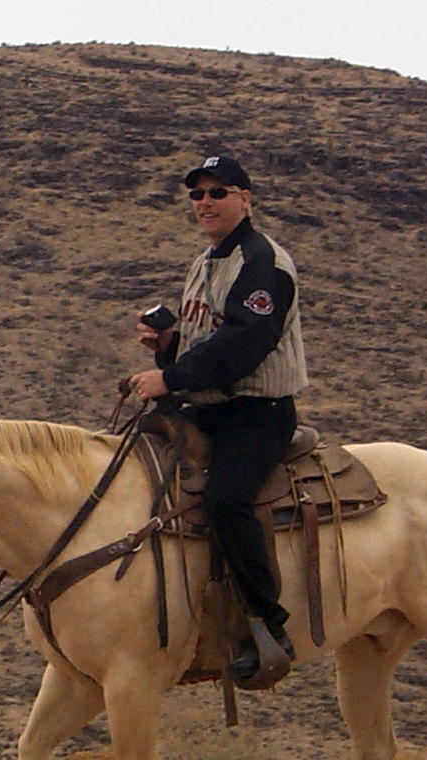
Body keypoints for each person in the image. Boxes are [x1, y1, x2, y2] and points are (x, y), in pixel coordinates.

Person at [129, 155, 308, 682]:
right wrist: (167, 347)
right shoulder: (206, 261)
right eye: (197, 195)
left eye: (217, 192)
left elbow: (245, 344)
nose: (205, 202)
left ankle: (267, 625)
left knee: (228, 501)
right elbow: (204, 341)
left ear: (245, 199)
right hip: (211, 406)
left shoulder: (262, 262)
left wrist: (170, 378)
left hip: (258, 410)